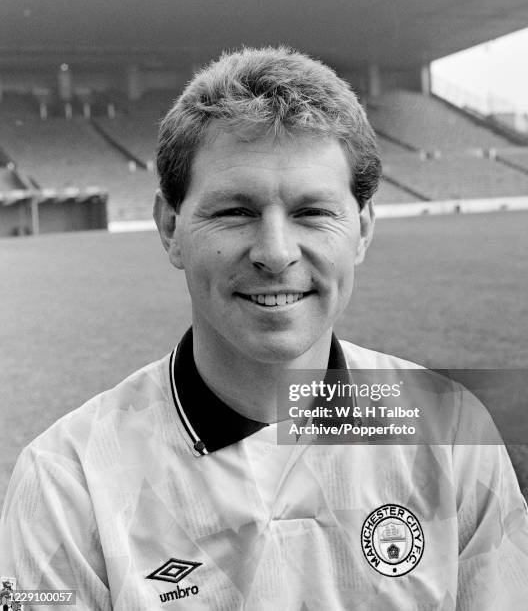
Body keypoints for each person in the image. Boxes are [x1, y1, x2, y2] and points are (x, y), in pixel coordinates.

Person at [1, 46, 527, 610]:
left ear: (364, 228)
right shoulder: (66, 480)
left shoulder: (449, 429)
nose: (275, 254)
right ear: (170, 227)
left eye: (312, 212)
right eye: (235, 211)